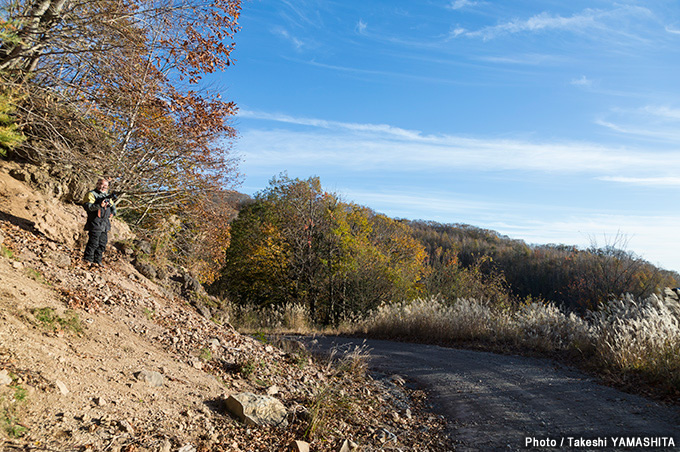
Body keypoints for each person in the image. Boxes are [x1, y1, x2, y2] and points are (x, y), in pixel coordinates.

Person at [82, 178, 116, 266]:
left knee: (102, 244)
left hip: (105, 224)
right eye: (101, 184)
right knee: (93, 242)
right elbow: (87, 207)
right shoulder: (91, 194)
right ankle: (87, 260)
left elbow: (113, 207)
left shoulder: (107, 196)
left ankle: (97, 261)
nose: (103, 187)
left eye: (105, 186)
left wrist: (112, 213)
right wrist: (99, 205)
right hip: (95, 222)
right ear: (97, 184)